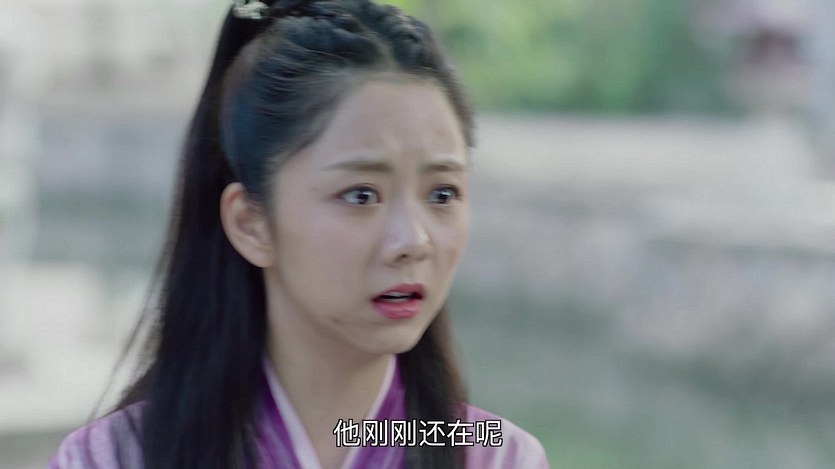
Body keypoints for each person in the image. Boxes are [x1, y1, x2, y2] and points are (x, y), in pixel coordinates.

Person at [50, 0, 550, 467]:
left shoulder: (495, 456)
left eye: (442, 194)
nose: (414, 241)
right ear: (251, 224)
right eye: (361, 195)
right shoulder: (114, 457)